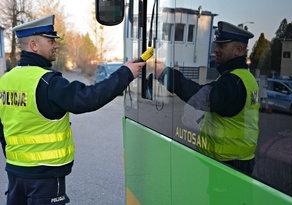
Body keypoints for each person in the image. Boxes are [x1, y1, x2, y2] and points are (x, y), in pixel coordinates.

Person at [0, 14, 145, 205]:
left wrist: (16, 162)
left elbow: (3, 129)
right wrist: (125, 74)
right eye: (51, 41)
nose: (56, 45)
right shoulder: (48, 82)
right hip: (45, 175)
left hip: (16, 173)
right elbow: (89, 98)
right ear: (34, 45)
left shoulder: (6, 80)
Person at [153, 21, 260, 175]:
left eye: (222, 46)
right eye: (216, 45)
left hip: (228, 164)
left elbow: (200, 97)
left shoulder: (233, 83)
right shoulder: (245, 78)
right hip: (239, 159)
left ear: (238, 50)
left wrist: (165, 75)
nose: (216, 49)